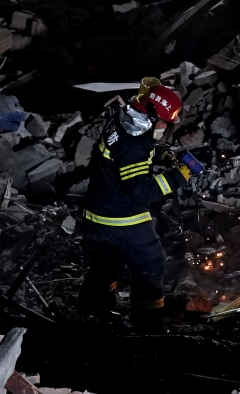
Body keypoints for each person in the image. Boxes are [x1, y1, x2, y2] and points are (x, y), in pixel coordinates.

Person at [78, 78, 193, 330]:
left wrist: (160, 153)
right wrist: (177, 176)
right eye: (163, 122)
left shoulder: (124, 120)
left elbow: (132, 153)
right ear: (150, 116)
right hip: (120, 217)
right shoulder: (134, 144)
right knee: (151, 261)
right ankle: (148, 325)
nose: (164, 126)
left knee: (109, 260)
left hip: (101, 211)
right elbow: (141, 191)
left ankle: (92, 310)